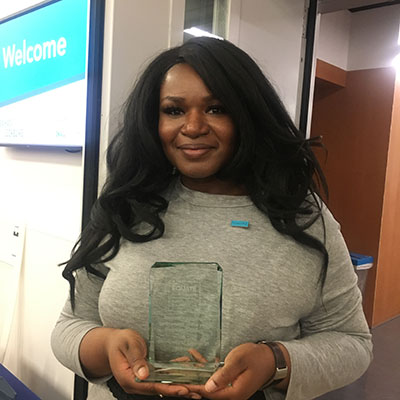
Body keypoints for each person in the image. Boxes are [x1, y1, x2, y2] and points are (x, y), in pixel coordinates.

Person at [51, 37, 372, 400]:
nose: (192, 127)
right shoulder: (126, 207)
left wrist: (274, 362)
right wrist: (106, 345)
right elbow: (69, 328)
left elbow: (353, 344)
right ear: (153, 121)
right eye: (174, 110)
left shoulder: (305, 219)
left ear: (247, 115)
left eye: (216, 109)